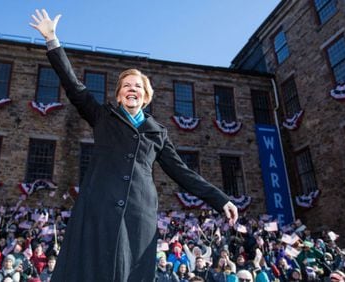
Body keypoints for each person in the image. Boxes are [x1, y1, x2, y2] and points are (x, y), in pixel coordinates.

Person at [29, 8, 239, 281]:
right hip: (99, 209)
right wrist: (52, 41)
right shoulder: (103, 117)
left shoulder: (157, 132)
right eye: (126, 85)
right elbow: (74, 86)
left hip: (138, 215)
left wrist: (220, 199)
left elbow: (183, 173)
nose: (132, 89)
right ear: (118, 95)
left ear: (146, 96)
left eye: (137, 86)